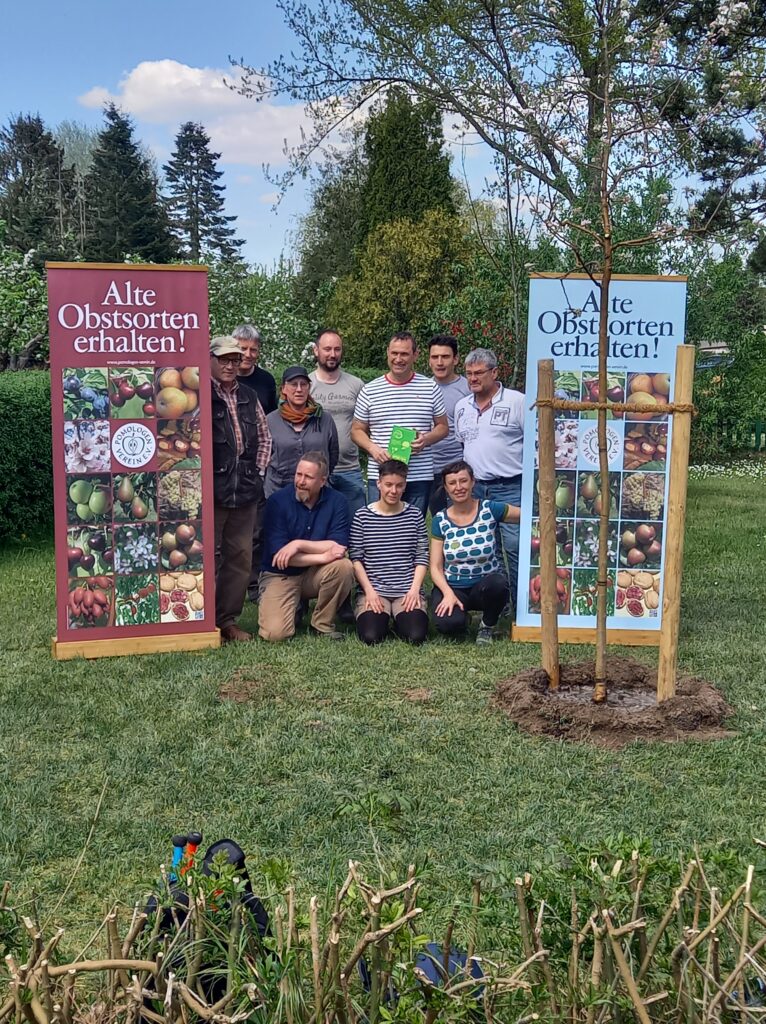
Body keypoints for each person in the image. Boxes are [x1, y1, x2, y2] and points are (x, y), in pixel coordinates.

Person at [210, 335, 272, 642]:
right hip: (212, 493)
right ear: (209, 360)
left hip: (245, 491)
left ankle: (227, 621)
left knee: (240, 557)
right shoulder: (199, 394)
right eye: (223, 360)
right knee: (209, 556)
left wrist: (257, 474)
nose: (230, 366)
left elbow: (264, 438)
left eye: (235, 360)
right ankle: (204, 621)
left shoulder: (248, 395)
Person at [454, 348, 525, 612]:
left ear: (494, 372)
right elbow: (465, 443)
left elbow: (536, 443)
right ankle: (500, 603)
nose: (473, 378)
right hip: (477, 489)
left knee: (515, 546)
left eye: (479, 373)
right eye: (469, 373)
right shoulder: (462, 407)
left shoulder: (517, 402)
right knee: (487, 548)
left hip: (510, 485)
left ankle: (521, 605)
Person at [259, 452, 355, 641]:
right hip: (281, 574)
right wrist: (322, 556)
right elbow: (281, 557)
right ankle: (293, 606)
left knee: (344, 567)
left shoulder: (338, 502)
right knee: (275, 635)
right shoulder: (277, 502)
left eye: (308, 477)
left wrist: (297, 544)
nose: (301, 481)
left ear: (322, 481)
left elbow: (337, 545)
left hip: (314, 574)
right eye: (298, 474)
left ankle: (322, 624)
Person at [351, 332, 448, 517]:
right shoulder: (370, 390)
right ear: (387, 353)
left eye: (404, 354)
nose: (398, 359)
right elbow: (356, 431)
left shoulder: (430, 387)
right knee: (379, 528)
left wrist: (425, 440)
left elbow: (443, 427)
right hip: (381, 474)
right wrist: (373, 449)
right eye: (394, 353)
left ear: (415, 355)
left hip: (418, 475)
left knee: (413, 528)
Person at [430, 460, 520, 644]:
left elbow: (527, 517)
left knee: (499, 583)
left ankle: (487, 626)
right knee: (447, 626)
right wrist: (447, 593)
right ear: (446, 488)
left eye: (463, 481)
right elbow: (435, 567)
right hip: (454, 587)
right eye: (452, 483)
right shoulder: (440, 520)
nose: (458, 487)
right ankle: (462, 618)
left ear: (473, 482)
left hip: (484, 586)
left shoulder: (489, 508)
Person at [350, 460, 429, 646]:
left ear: (405, 486)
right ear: (378, 483)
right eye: (388, 485)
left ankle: (400, 617)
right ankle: (383, 616)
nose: (393, 491)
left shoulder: (415, 515)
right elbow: (356, 558)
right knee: (371, 636)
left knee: (415, 636)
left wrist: (414, 590)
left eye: (399, 485)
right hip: (375, 590)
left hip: (406, 590)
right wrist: (369, 592)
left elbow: (422, 556)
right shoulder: (362, 516)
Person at [309, 329, 366, 516]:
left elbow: (369, 425)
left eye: (337, 349)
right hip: (316, 471)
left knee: (357, 529)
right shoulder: (305, 385)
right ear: (316, 351)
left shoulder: (356, 384)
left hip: (350, 469)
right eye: (327, 349)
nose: (332, 354)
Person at [265, 366, 339, 498]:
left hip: (316, 494)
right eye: (293, 384)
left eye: (303, 384)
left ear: (309, 388)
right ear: (283, 389)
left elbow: (333, 453)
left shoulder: (324, 419)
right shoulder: (270, 421)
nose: (299, 389)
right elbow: (263, 458)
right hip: (278, 492)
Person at [427, 334, 471, 515]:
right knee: (439, 521)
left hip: (458, 468)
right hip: (429, 469)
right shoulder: (423, 387)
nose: (439, 362)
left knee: (463, 520)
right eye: (435, 357)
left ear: (456, 359)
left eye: (445, 357)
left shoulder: (468, 388)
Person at [234, 324, 278, 414]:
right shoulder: (223, 379)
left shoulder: (266, 380)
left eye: (253, 350)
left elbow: (272, 415)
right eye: (243, 349)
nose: (248, 354)